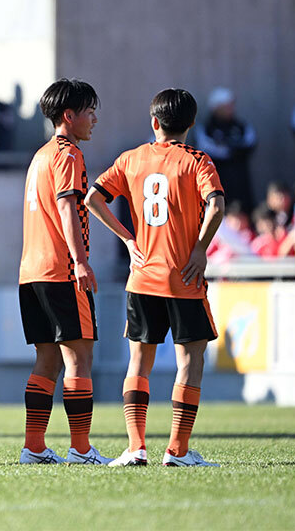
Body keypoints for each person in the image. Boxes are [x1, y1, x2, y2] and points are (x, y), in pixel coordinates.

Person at [86, 88, 225, 467]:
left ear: (154, 122)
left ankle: (135, 448)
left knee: (139, 363)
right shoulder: (197, 160)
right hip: (184, 275)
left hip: (142, 276)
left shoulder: (132, 158)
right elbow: (216, 204)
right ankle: (177, 451)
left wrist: (128, 239)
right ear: (192, 124)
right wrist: (199, 248)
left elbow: (92, 199)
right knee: (190, 359)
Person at [17, 79, 110, 465]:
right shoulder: (68, 154)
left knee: (48, 360)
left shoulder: (40, 155)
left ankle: (34, 446)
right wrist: (80, 261)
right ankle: (81, 448)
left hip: (31, 272)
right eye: (89, 111)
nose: (94, 119)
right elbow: (68, 207)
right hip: (60, 271)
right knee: (79, 359)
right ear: (68, 116)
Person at [192, 87, 256, 211]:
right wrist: (232, 151)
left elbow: (250, 142)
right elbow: (207, 148)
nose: (230, 109)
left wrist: (232, 150)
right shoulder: (206, 129)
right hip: (218, 179)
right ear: (216, 108)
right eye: (226, 106)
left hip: (240, 177)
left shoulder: (240, 126)